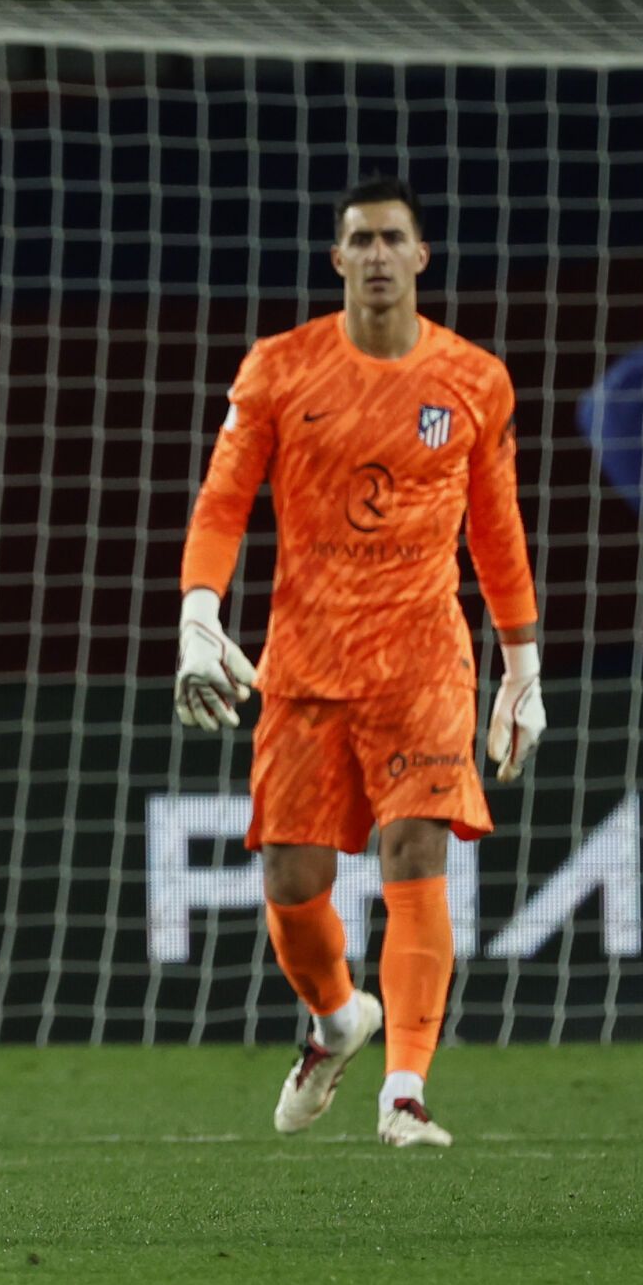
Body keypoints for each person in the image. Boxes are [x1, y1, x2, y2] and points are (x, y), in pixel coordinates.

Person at [175, 177, 543, 1148]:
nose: (376, 255)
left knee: (414, 854)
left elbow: (496, 533)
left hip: (423, 661)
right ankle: (336, 1020)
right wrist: (197, 614)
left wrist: (522, 666)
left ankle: (406, 1090)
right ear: (336, 260)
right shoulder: (278, 369)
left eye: (392, 239)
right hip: (302, 659)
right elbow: (222, 504)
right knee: (293, 884)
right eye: (358, 241)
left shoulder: (473, 379)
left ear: (420, 258)